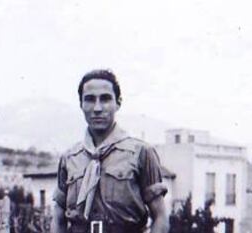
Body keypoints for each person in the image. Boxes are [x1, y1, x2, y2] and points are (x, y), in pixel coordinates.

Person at [51, 69, 169, 233]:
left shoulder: (141, 153)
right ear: (81, 105)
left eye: (105, 99)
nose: (97, 108)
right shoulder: (69, 158)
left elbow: (160, 217)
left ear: (118, 103)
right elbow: (58, 218)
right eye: (90, 100)